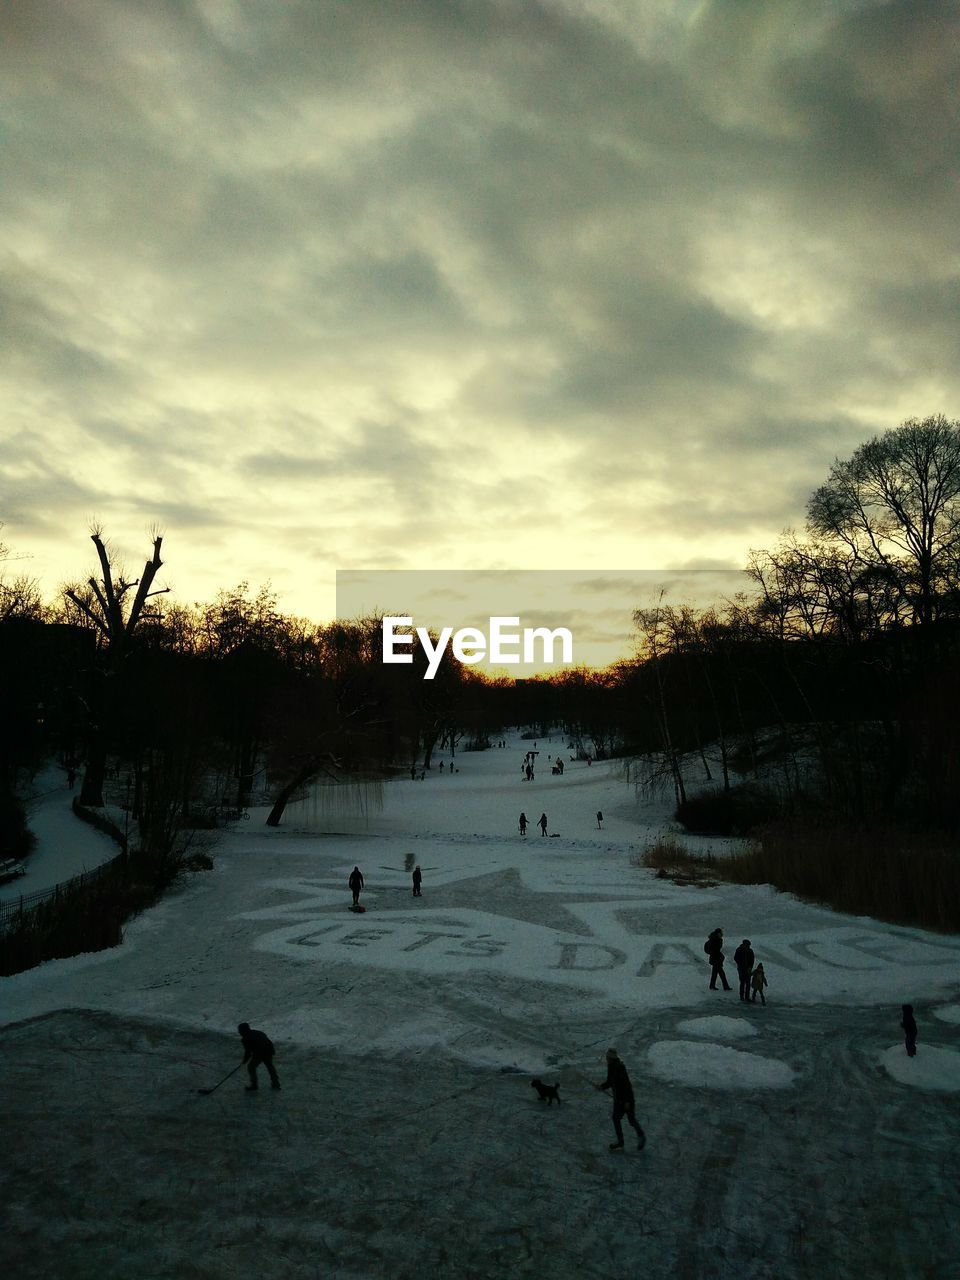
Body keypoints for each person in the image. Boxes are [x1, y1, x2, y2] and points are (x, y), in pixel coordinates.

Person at [596, 1048, 645, 1151]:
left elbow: (626, 1085)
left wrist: (627, 1101)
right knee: (616, 1118)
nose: (606, 1058)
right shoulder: (611, 1066)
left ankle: (641, 1136)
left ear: (611, 1058)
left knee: (631, 1120)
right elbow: (610, 1081)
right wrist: (602, 1086)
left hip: (626, 1099)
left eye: (607, 1057)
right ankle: (620, 1141)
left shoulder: (620, 1068)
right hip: (618, 1099)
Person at [238, 1022, 280, 1091]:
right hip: (269, 1050)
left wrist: (244, 1061)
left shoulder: (245, 1039)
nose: (239, 1033)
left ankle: (254, 1085)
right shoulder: (257, 1032)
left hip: (261, 1053)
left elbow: (248, 1052)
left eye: (239, 1031)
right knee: (270, 1066)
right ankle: (276, 1083)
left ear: (243, 1031)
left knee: (251, 1067)